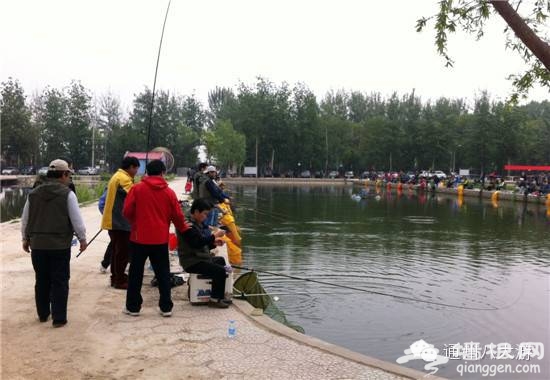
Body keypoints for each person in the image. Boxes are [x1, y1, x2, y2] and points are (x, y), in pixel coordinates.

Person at [21, 159, 88, 328]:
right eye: (68, 175)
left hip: (38, 245)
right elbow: (76, 220)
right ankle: (59, 318)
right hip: (60, 246)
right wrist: (82, 239)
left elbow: (25, 219)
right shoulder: (68, 194)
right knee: (60, 280)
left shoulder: (33, 193)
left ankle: (43, 314)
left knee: (41, 279)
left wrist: (25, 238)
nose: (69, 179)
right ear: (64, 174)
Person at [122, 160, 190, 317]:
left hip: (139, 238)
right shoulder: (169, 192)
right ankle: (166, 307)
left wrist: (135, 222)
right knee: (163, 274)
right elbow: (178, 217)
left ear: (147, 172)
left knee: (135, 274)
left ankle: (133, 307)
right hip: (160, 239)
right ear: (162, 173)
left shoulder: (137, 189)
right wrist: (185, 229)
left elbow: (126, 211)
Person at [177, 198, 229, 308]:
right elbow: (197, 243)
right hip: (191, 261)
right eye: (205, 214)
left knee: (220, 260)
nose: (206, 217)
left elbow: (201, 243)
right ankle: (215, 299)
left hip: (199, 257)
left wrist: (214, 243)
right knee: (220, 271)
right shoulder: (188, 226)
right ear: (196, 211)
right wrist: (215, 235)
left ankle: (216, 290)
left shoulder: (197, 223)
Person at [101, 156, 140, 289]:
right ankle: (120, 280)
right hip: (120, 222)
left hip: (115, 220)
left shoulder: (117, 176)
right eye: (136, 168)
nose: (136, 171)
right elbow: (135, 195)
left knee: (117, 251)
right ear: (131, 167)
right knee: (122, 253)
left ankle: (115, 277)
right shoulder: (123, 179)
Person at [97, 187, 112, 273]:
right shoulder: (112, 186)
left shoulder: (129, 184)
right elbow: (101, 205)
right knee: (114, 243)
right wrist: (109, 217)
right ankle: (105, 264)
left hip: (127, 223)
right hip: (115, 223)